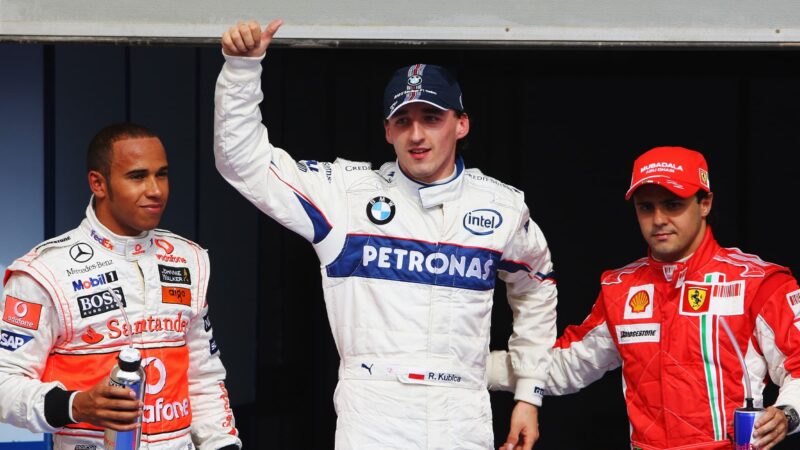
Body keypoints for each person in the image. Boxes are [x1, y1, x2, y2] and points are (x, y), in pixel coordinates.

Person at [214, 20, 558, 450]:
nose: (416, 135)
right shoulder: (345, 195)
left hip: (462, 414)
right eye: (403, 120)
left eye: (431, 118)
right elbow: (242, 162)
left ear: (461, 124)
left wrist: (529, 392)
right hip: (374, 413)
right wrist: (242, 70)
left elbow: (537, 285)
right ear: (387, 130)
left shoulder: (502, 208)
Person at [487, 146, 800, 450]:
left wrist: (788, 413)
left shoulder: (759, 282)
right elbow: (565, 366)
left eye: (673, 204)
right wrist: (474, 367)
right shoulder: (621, 288)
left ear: (705, 203)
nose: (659, 219)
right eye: (646, 207)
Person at [0, 123, 241, 450]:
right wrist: (76, 404)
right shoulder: (43, 272)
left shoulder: (189, 260)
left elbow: (204, 378)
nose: (156, 190)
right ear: (98, 183)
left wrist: (223, 446)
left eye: (163, 174)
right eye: (138, 176)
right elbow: (3, 381)